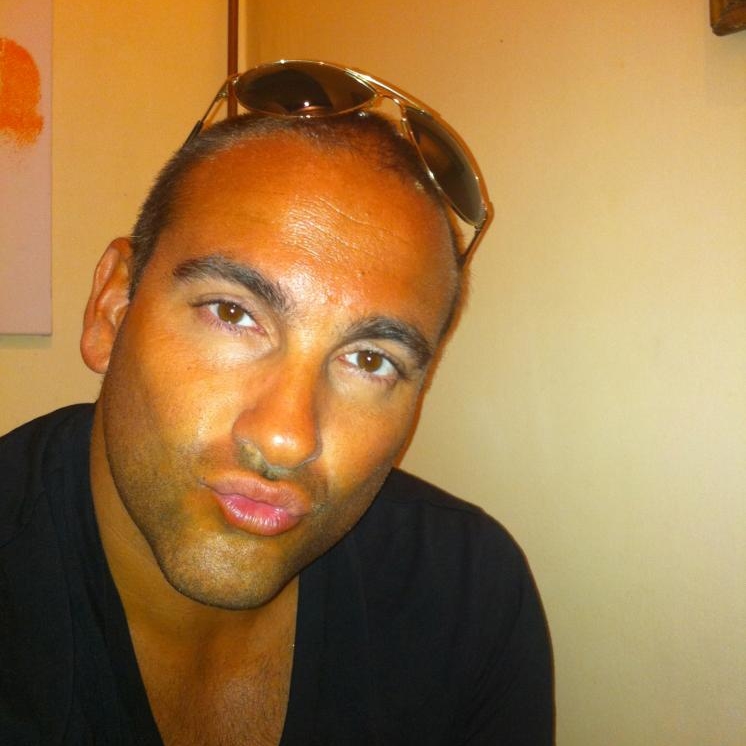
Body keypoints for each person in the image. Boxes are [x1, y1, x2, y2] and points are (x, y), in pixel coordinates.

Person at [0, 60, 553, 745]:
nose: (286, 438)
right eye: (233, 313)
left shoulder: (467, 599)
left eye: (370, 360)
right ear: (113, 309)